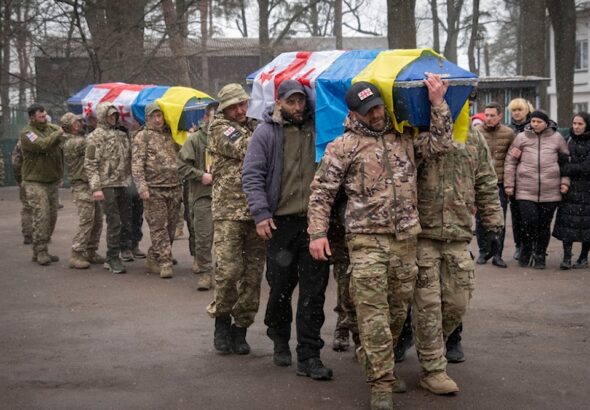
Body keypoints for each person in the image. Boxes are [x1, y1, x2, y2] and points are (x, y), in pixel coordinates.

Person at [308, 76, 453, 409]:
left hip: (405, 240)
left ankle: (375, 360)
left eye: (376, 106)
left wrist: (438, 104)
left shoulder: (404, 136)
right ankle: (382, 386)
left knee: (395, 316)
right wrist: (317, 234)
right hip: (366, 241)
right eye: (366, 110)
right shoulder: (342, 146)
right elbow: (321, 194)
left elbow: (440, 145)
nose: (374, 114)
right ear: (354, 113)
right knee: (373, 316)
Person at [243, 80, 332, 380]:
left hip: (314, 225)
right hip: (280, 225)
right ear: (278, 103)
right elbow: (252, 175)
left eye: (301, 101)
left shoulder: (319, 130)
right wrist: (260, 214)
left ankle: (309, 354)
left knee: (313, 292)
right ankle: (279, 337)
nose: (297, 107)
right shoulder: (265, 133)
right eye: (291, 102)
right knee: (280, 288)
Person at [413, 109, 503, 396]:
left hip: (458, 234)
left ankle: (431, 347)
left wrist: (493, 218)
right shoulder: (417, 134)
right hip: (423, 235)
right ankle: (433, 369)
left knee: (456, 303)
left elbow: (486, 181)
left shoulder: (473, 137)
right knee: (428, 305)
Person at [206, 84, 265, 355]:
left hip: (257, 211)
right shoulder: (220, 128)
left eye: (243, 104)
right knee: (229, 272)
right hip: (229, 211)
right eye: (234, 106)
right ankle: (221, 320)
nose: (240, 110)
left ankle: (240, 328)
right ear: (224, 109)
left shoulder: (256, 125)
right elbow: (249, 149)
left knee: (252, 276)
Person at [504, 110, 569, 269]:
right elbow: (511, 162)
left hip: (550, 190)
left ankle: (540, 254)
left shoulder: (557, 138)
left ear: (546, 123)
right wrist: (509, 184)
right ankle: (526, 251)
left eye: (538, 122)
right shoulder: (521, 138)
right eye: (533, 121)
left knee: (544, 225)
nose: (535, 124)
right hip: (525, 189)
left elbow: (565, 162)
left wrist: (565, 181)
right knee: (528, 222)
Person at [132, 103, 180, 279]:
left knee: (172, 227)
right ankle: (165, 261)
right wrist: (142, 187)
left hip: (174, 187)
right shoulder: (142, 137)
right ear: (148, 118)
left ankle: (154, 256)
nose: (158, 120)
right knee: (158, 227)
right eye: (154, 116)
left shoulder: (170, 134)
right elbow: (136, 164)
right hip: (154, 189)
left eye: (160, 116)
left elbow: (181, 153)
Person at [85, 102, 132, 274]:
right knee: (114, 222)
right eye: (110, 115)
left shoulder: (121, 134)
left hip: (123, 182)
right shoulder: (94, 137)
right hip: (106, 184)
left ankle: (119, 252)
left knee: (125, 221)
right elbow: (90, 163)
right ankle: (112, 258)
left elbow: (128, 157)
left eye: (115, 115)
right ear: (103, 116)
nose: (113, 118)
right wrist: (96, 187)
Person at [177, 101, 217, 290]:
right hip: (203, 196)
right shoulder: (195, 140)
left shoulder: (231, 138)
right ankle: (205, 273)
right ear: (206, 118)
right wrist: (201, 175)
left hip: (228, 198)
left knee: (229, 240)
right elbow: (182, 166)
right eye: (214, 116)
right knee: (203, 237)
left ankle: (225, 275)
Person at [19, 104, 64, 265]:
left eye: (45, 115)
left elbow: (62, 139)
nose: (45, 118)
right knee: (42, 215)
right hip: (34, 181)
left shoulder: (51, 128)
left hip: (51, 180)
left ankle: (42, 247)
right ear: (32, 117)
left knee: (52, 217)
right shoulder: (27, 133)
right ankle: (40, 251)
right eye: (41, 116)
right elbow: (42, 145)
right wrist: (58, 134)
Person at [62, 112, 105, 269]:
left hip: (92, 184)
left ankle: (91, 251)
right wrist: (98, 126)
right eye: (75, 122)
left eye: (80, 121)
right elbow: (92, 143)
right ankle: (77, 253)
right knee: (86, 219)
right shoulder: (72, 142)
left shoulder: (82, 139)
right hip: (81, 185)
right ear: (68, 126)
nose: (79, 124)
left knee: (98, 220)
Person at [475, 102, 514, 268]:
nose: (489, 118)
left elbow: (512, 159)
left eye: (492, 115)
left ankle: (498, 254)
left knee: (499, 220)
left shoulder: (508, 133)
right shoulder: (477, 132)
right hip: (480, 183)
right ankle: (483, 251)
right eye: (486, 115)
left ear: (500, 116)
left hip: (499, 183)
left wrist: (509, 183)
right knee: (481, 219)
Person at [553, 112, 590, 269]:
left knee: (587, 226)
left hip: (587, 190)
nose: (576, 127)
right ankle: (567, 257)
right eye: (574, 123)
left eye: (580, 124)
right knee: (567, 225)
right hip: (569, 188)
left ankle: (583, 257)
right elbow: (560, 163)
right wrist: (568, 169)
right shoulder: (567, 140)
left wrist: (568, 168)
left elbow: (586, 168)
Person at [507, 98, 533, 260]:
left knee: (531, 216)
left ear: (526, 110)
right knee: (516, 215)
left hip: (531, 177)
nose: (516, 113)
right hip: (514, 177)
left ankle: (533, 245)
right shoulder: (509, 130)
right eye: (514, 110)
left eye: (519, 110)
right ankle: (519, 245)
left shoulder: (535, 127)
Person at [11, 141, 33, 244]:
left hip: (26, 178)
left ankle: (28, 234)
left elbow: (16, 163)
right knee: (42, 208)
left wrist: (19, 179)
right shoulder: (45, 139)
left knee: (27, 207)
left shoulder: (21, 142)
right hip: (41, 180)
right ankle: (41, 234)